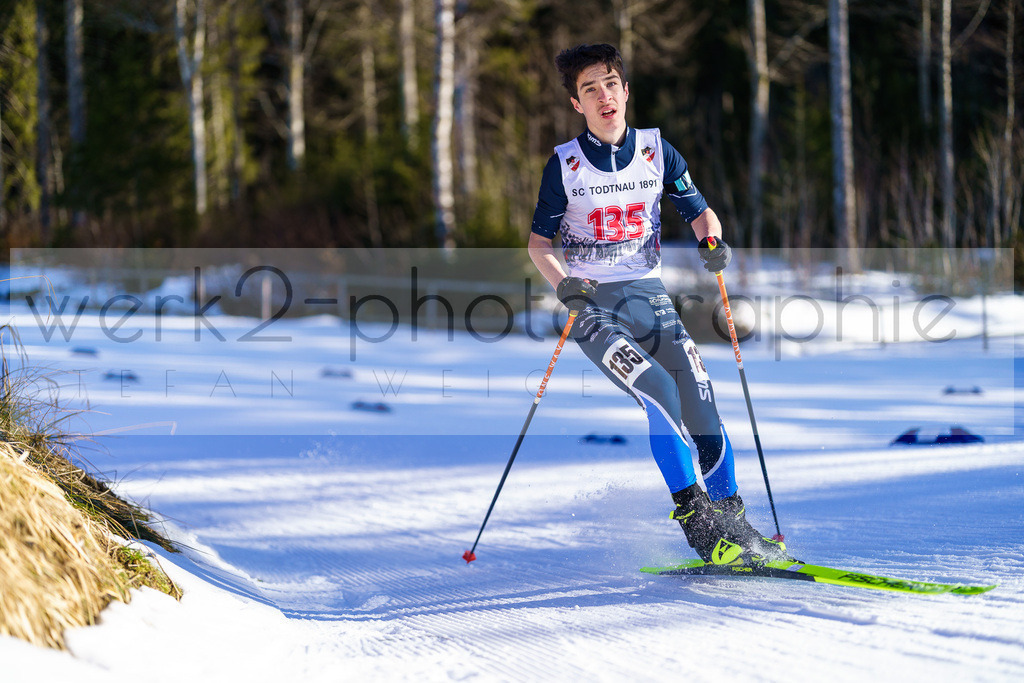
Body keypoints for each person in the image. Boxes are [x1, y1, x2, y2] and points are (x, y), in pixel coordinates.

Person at [528, 43, 790, 566]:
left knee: (698, 394)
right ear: (576, 104)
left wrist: (711, 239)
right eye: (589, 89)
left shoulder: (656, 151)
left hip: (649, 297)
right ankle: (700, 527)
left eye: (609, 83)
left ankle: (734, 524)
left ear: (625, 91)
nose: (603, 95)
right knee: (657, 389)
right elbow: (539, 247)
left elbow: (701, 213)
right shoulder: (565, 165)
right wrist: (566, 287)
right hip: (593, 310)